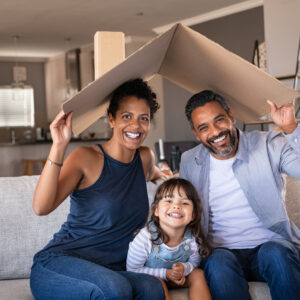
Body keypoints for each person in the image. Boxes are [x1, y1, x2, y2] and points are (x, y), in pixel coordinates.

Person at [30, 78, 168, 300]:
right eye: (127, 116)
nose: (136, 126)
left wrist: (173, 179)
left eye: (144, 118)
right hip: (62, 263)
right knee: (115, 289)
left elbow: (159, 176)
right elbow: (40, 207)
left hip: (112, 270)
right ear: (111, 119)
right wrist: (58, 146)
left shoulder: (144, 158)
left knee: (153, 288)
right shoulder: (85, 158)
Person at [179, 90, 300, 300]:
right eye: (204, 127)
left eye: (220, 121)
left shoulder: (268, 144)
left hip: (271, 245)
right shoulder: (189, 160)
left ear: (231, 116)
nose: (216, 132)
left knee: (275, 254)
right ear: (196, 134)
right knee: (217, 262)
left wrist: (291, 128)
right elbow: (184, 210)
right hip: (222, 252)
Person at [126, 177, 212, 300]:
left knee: (198, 274)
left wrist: (184, 268)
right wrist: (165, 274)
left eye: (185, 203)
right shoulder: (145, 238)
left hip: (178, 278)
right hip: (151, 280)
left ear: (193, 215)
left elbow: (194, 263)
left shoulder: (193, 239)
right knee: (158, 283)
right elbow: (132, 270)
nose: (176, 206)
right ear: (156, 210)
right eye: (169, 201)